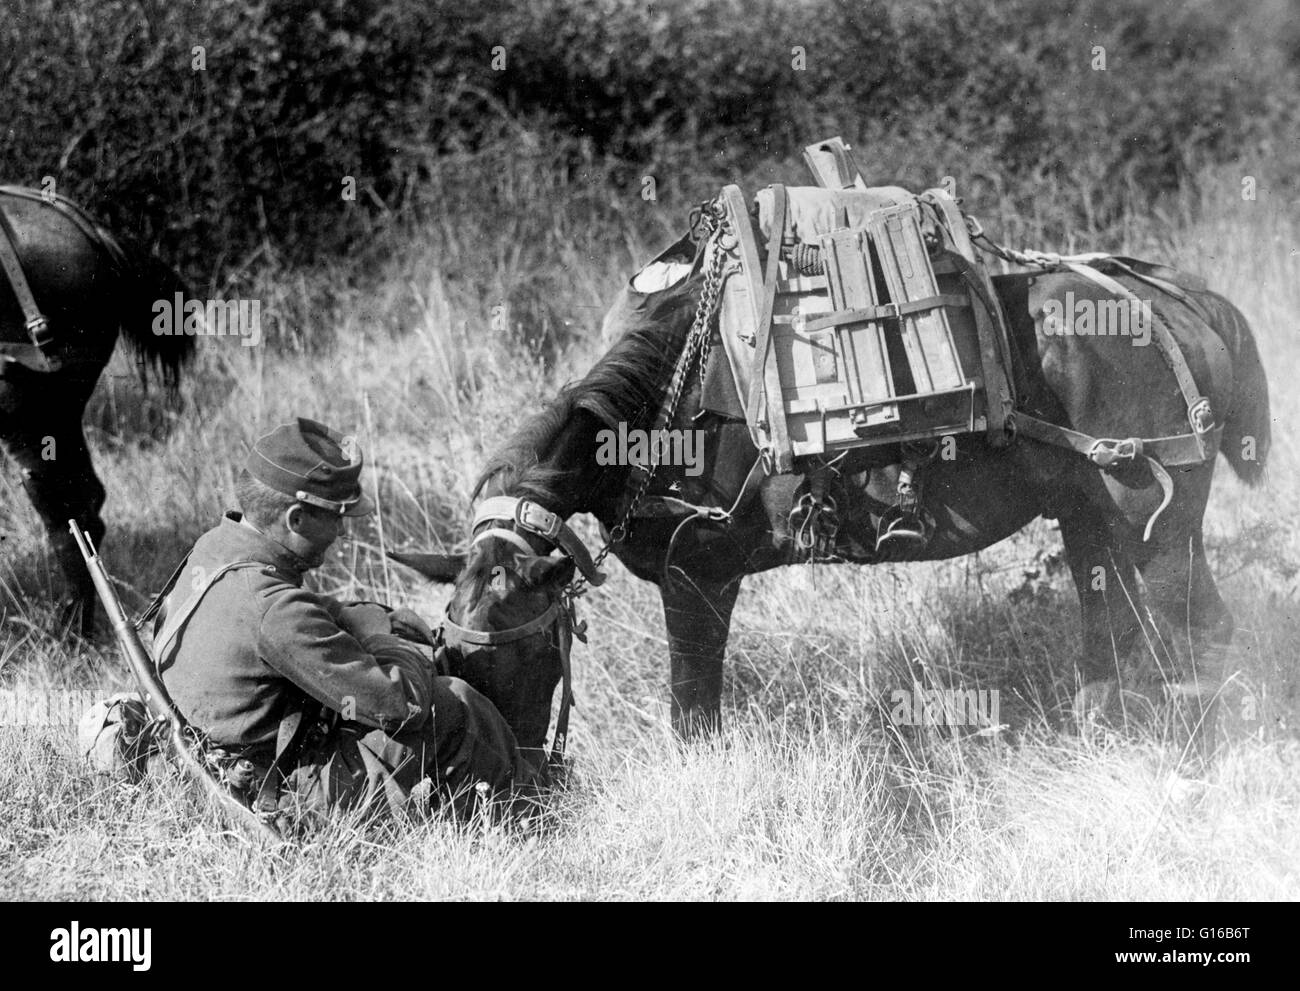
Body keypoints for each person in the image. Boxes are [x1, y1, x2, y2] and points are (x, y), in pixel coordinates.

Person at [151, 416, 535, 823]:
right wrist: (381, 638)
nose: (341, 534)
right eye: (336, 517)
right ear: (295, 518)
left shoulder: (215, 548)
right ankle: (530, 818)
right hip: (279, 794)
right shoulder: (276, 613)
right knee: (454, 704)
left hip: (220, 754)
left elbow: (278, 605)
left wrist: (347, 614)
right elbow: (404, 706)